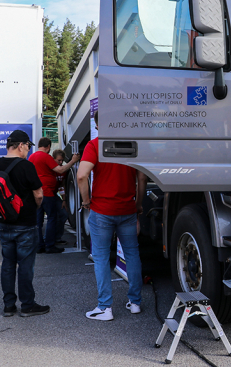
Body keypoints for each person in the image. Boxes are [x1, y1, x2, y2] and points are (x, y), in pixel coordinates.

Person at [79, 111, 146, 320]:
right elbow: (142, 178)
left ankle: (105, 308)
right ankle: (135, 303)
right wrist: (138, 205)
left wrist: (86, 200)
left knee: (100, 257)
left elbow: (81, 175)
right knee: (132, 254)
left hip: (102, 211)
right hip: (127, 209)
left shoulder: (95, 145)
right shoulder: (131, 145)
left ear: (98, 126)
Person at [0, 129, 50, 317]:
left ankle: (8, 305)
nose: (28, 151)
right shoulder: (27, 166)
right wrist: (35, 208)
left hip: (4, 222)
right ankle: (27, 305)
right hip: (25, 223)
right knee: (25, 265)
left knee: (7, 264)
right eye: (28, 147)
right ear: (21, 145)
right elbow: (39, 194)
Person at [29, 138, 79, 253]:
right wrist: (73, 161)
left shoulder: (32, 157)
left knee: (38, 220)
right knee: (52, 218)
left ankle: (39, 245)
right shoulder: (46, 157)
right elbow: (60, 170)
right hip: (47, 192)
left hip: (36, 192)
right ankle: (50, 245)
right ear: (48, 146)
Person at [51, 149, 70, 244]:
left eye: (62, 160)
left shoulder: (63, 171)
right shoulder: (50, 169)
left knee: (63, 214)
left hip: (54, 195)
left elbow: (62, 185)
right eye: (58, 160)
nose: (61, 162)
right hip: (47, 195)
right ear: (53, 159)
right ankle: (48, 239)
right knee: (51, 216)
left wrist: (64, 200)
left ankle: (57, 238)